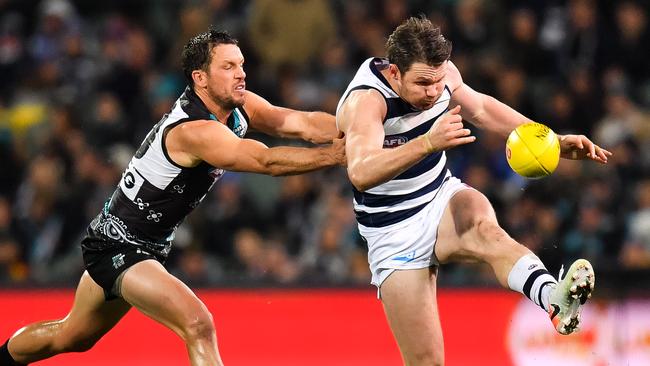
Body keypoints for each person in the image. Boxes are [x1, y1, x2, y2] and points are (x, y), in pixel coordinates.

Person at [0, 29, 345, 366]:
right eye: (228, 67)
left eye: (240, 64)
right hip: (120, 246)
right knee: (198, 324)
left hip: (136, 242)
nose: (241, 74)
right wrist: (334, 156)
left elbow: (300, 122)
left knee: (71, 336)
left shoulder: (238, 106)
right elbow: (264, 160)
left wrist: (365, 130)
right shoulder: (193, 131)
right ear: (201, 78)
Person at [336, 17, 611, 365]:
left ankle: (553, 297)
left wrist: (552, 139)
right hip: (392, 232)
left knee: (484, 227)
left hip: (439, 198)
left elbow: (480, 108)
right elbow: (360, 172)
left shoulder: (442, 74)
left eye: (437, 82)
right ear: (394, 73)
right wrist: (426, 143)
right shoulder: (367, 101)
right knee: (427, 362)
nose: (433, 93)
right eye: (422, 83)